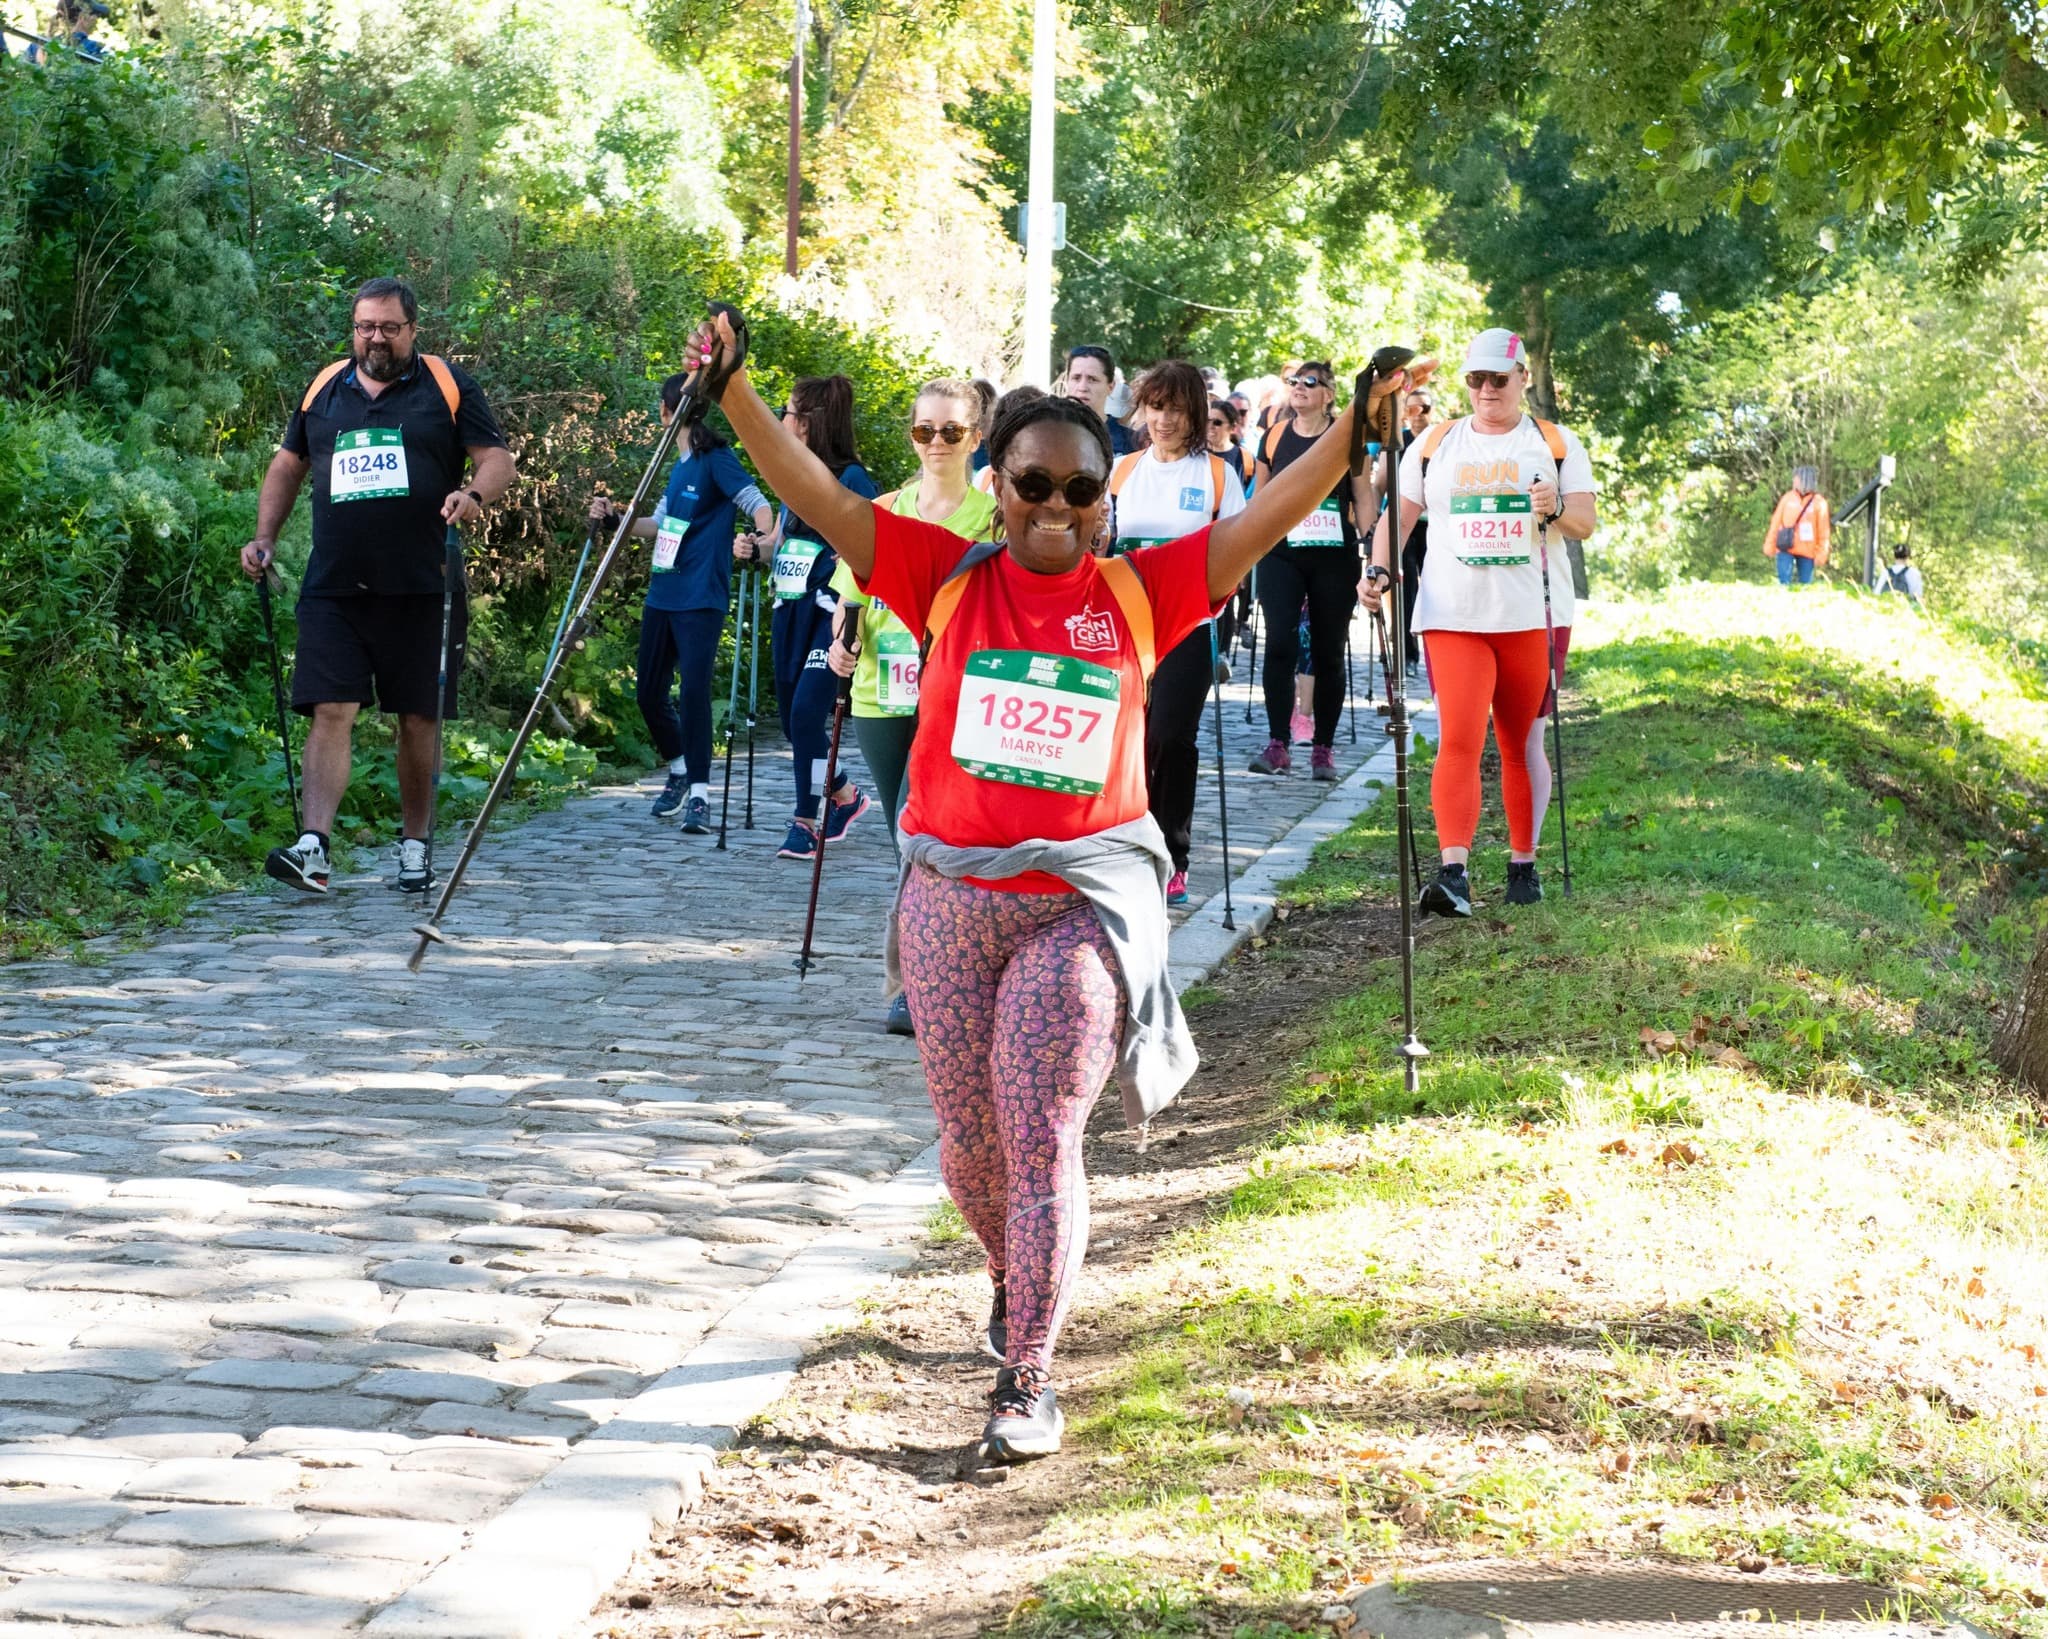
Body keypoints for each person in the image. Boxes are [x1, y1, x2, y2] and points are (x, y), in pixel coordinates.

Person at [685, 304, 1426, 1462]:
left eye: (1081, 494)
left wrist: (1354, 439)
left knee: (1039, 1138)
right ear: (996, 481)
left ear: (1103, 500)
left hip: (1078, 903)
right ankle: (1007, 1268)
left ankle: (1025, 1375)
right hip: (947, 895)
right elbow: (819, 494)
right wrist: (731, 390)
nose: (1055, 511)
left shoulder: (1140, 592)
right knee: (967, 1143)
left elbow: (1273, 512)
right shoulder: (938, 574)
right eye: (1033, 485)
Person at [241, 277, 515, 896]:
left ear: (412, 329)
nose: (376, 338)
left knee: (418, 719)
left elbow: (496, 457)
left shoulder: (445, 385)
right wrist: (265, 536)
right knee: (329, 707)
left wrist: (473, 495)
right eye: (366, 326)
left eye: (390, 327)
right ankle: (314, 846)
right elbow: (288, 463)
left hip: (423, 586)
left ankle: (415, 845)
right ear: (354, 328)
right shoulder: (325, 387)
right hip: (336, 584)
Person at [1363, 328, 1597, 913]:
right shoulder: (1435, 444)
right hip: (1453, 613)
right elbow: (1401, 518)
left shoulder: (1555, 443)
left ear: (1523, 379)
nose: (1487, 389)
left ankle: (1524, 864)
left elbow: (1586, 523)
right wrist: (1377, 571)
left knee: (1521, 743)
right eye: (1476, 379)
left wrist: (1557, 507)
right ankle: (1453, 872)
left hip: (1531, 615)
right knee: (1459, 740)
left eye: (1499, 378)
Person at [830, 378, 998, 1036]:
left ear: (975, 438)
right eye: (923, 430)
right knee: (906, 838)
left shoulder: (990, 518)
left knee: (917, 832)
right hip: (881, 690)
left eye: (950, 431)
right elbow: (849, 596)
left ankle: (909, 984)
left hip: (954, 696)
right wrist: (838, 650)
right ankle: (922, 979)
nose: (934, 443)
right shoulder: (884, 509)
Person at [587, 378, 772, 834]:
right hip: (664, 592)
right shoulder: (678, 466)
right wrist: (615, 520)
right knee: (648, 693)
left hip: (700, 595)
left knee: (692, 692)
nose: (660, 415)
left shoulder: (715, 459)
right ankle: (678, 768)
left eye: (661, 409)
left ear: (670, 412)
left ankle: (701, 796)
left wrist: (761, 540)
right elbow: (657, 524)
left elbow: (757, 503)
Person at [1110, 362, 1248, 905]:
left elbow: (1237, 554)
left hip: (1190, 625)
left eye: (1176, 409)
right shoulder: (1120, 472)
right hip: (1124, 623)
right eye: (1155, 407)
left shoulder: (1218, 477)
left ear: (1195, 412)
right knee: (1125, 737)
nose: (1164, 420)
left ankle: (1172, 853)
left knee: (1169, 734)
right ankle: (1119, 844)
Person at [736, 375, 878, 859]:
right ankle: (842, 794)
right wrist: (754, 549)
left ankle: (805, 820)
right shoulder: (791, 474)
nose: (783, 419)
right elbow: (779, 541)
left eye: (790, 412)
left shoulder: (854, 480)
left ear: (811, 422)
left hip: (829, 615)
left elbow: (871, 549)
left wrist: (851, 558)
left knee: (805, 714)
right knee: (800, 727)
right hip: (789, 610)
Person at [1249, 361, 1357, 781]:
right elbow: (1258, 498)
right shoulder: (1275, 435)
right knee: (1280, 642)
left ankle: (1323, 749)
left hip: (1334, 554)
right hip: (1281, 550)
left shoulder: (1344, 437)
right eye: (1293, 382)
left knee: (1329, 650)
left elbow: (1361, 493)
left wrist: (1373, 547)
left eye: (1310, 382)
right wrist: (1245, 547)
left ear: (1329, 393)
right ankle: (1278, 744)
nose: (1299, 388)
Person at [1396, 390, 1435, 671]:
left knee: (1435, 588)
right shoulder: (1398, 442)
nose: (1418, 415)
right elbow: (1380, 482)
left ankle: (1438, 648)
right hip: (1406, 526)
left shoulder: (1441, 440)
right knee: (1407, 589)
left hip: (1435, 526)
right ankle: (1409, 655)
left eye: (1424, 408)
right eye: (1411, 409)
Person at [1062, 345, 1136, 455]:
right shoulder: (1051, 435)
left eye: (1092, 379)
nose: (1082, 388)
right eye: (1076, 378)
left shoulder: (1131, 443)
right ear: (1067, 382)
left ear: (1111, 387)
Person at [1763, 465, 1831, 586]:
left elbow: (1823, 531)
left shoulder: (1819, 502)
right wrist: (1770, 544)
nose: (1793, 480)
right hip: (1785, 546)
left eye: (1796, 478)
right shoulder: (1787, 498)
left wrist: (1821, 553)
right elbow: (1775, 523)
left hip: (1808, 550)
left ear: (1804, 479)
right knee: (1783, 583)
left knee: (1805, 586)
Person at [1208, 397, 1249, 485]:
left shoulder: (1245, 459)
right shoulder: (1194, 454)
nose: (1210, 426)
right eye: (1207, 421)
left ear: (1233, 427)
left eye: (1217, 422)